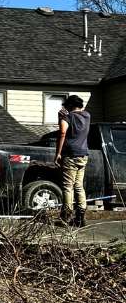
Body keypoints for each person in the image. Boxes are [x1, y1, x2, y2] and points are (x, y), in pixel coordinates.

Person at [55, 94, 91, 227]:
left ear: (70, 105)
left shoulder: (68, 117)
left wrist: (58, 153)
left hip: (70, 155)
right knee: (79, 186)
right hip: (83, 154)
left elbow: (62, 132)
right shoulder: (87, 116)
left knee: (67, 187)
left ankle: (66, 217)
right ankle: (81, 217)